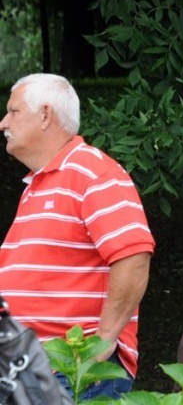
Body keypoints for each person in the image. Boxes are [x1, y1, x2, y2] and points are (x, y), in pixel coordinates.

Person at [0, 73, 155, 399]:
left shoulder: (94, 173)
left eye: (13, 111)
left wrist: (102, 343)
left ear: (45, 115)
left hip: (75, 372)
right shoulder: (37, 184)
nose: (3, 123)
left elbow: (133, 256)